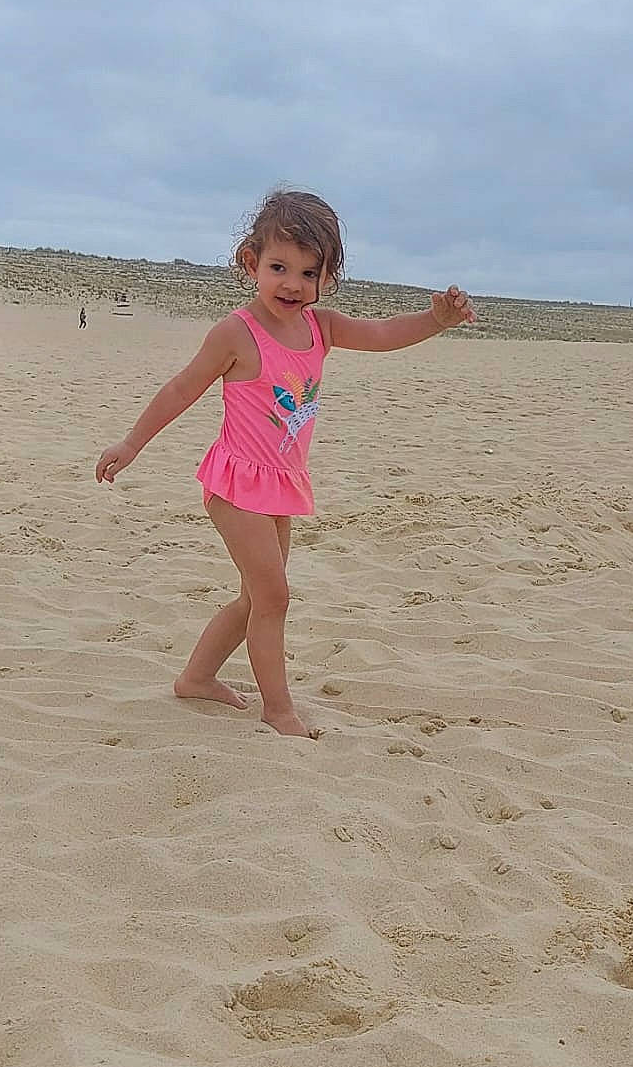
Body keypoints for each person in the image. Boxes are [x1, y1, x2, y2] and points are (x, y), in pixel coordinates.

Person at [96, 188, 475, 736]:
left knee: (255, 596)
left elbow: (382, 334)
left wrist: (434, 319)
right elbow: (183, 388)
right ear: (251, 263)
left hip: (280, 483)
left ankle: (196, 679)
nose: (292, 284)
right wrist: (132, 443)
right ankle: (278, 709)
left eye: (308, 272)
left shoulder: (321, 327)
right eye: (279, 267)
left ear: (328, 277)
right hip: (234, 483)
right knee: (275, 595)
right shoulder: (235, 332)